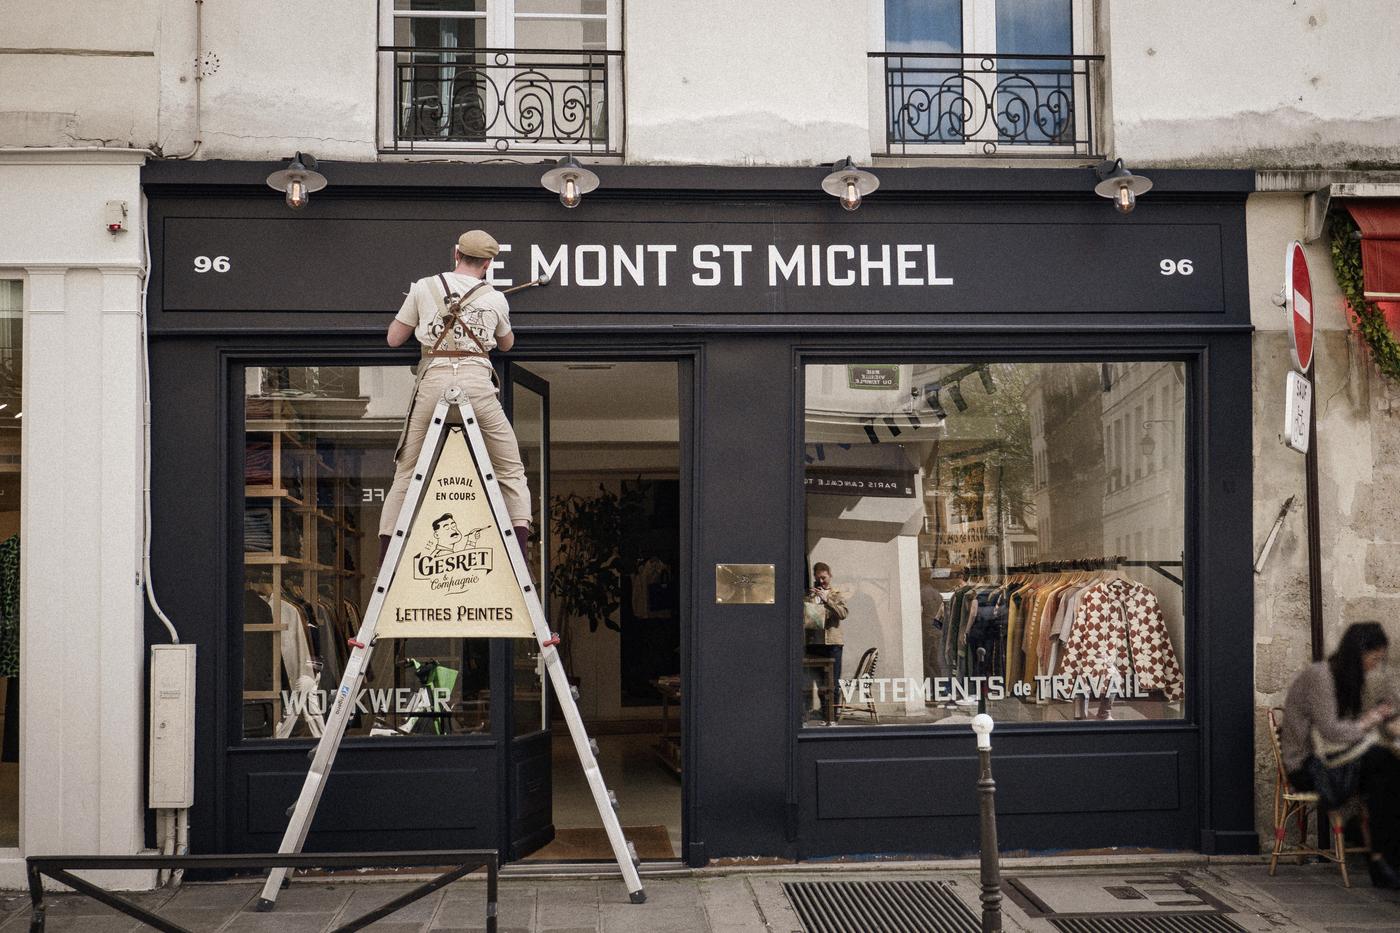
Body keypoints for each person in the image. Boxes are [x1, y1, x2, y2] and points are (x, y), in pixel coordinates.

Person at [380, 230, 532, 564]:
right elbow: (507, 344)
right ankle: (519, 556)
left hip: (433, 382)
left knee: (406, 475)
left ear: (456, 253)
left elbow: (394, 338)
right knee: (510, 472)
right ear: (489, 263)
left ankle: (386, 561)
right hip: (477, 385)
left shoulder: (423, 287)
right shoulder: (494, 297)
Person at [1280, 621, 1400, 889]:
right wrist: (1371, 720)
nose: (1374, 666)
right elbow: (1332, 731)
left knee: (1386, 775)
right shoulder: (1320, 676)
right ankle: (1381, 856)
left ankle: (1381, 856)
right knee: (1386, 770)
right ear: (1359, 653)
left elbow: (1349, 726)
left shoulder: (1344, 678)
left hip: (1335, 759)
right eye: (1374, 658)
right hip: (1309, 767)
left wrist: (1380, 719)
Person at [803, 562, 849, 717]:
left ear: (830, 575)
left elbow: (843, 614)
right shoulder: (810, 594)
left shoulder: (836, 594)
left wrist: (826, 600)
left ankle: (832, 715)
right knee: (818, 682)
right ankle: (824, 713)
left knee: (832, 682)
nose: (821, 581)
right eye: (818, 578)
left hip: (832, 643)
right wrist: (808, 600)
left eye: (824, 578)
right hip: (814, 643)